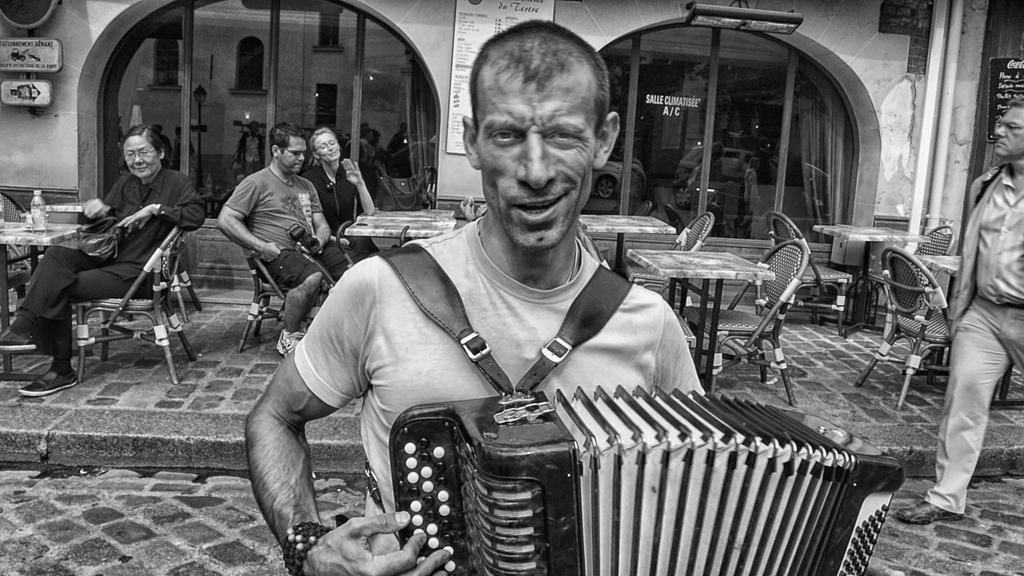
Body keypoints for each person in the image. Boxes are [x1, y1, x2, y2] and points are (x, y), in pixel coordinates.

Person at [244, 21, 700, 576]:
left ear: (604, 140)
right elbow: (274, 415)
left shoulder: (650, 325)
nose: (536, 172)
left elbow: (696, 494)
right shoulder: (380, 288)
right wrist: (307, 545)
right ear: (472, 140)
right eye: (508, 135)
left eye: (563, 135)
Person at [0, 125, 205, 397]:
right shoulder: (125, 183)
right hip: (108, 260)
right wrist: (95, 210)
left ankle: (59, 367)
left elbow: (196, 216)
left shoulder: (177, 182)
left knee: (58, 285)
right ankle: (26, 322)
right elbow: (103, 226)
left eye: (144, 152)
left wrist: (155, 210)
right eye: (130, 154)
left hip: (140, 274)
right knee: (56, 255)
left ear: (161, 152)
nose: (137, 160)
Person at [896, 98, 1024, 525]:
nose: (1000, 132)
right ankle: (946, 498)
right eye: (1001, 124)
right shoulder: (985, 184)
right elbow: (971, 250)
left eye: (1013, 127)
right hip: (984, 315)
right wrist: (959, 310)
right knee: (962, 403)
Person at [218, 122, 353, 357]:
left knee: (355, 272)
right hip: (275, 254)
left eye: (304, 153)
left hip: (309, 249)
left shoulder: (306, 185)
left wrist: (319, 241)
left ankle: (339, 330)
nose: (302, 158)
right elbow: (226, 219)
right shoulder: (256, 182)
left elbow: (321, 225)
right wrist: (260, 246)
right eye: (295, 153)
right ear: (276, 151)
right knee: (312, 277)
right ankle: (289, 336)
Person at [302, 126, 379, 257]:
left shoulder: (348, 172)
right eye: (324, 146)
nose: (330, 148)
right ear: (316, 154)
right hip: (326, 240)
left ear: (338, 145)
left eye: (332, 143)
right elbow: (308, 223)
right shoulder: (309, 179)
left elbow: (370, 211)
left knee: (365, 245)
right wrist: (334, 238)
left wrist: (360, 183)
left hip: (352, 237)